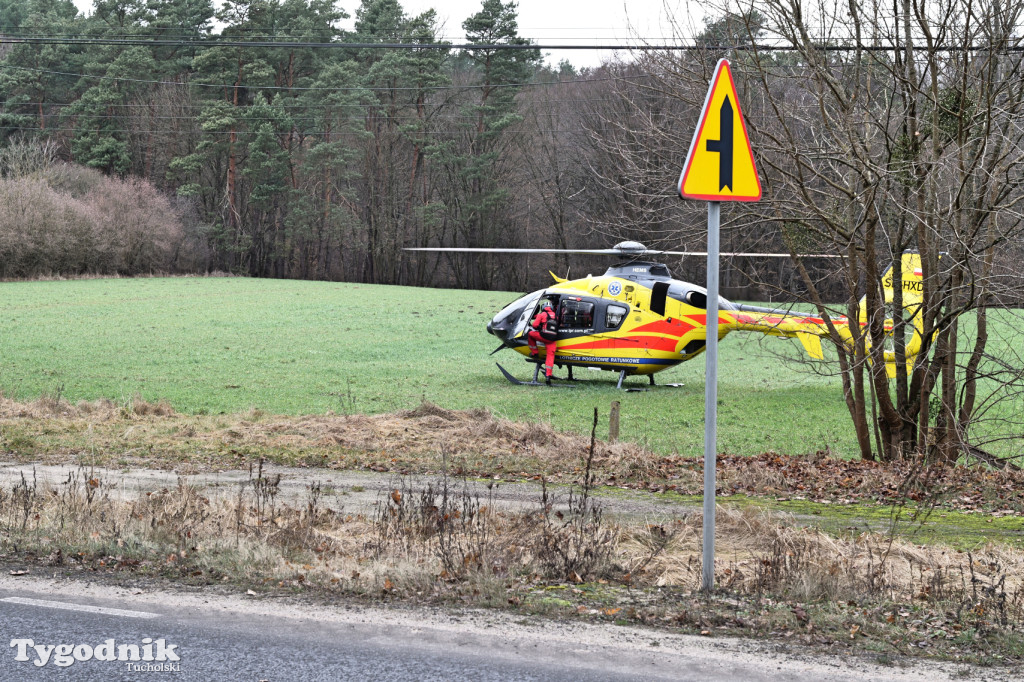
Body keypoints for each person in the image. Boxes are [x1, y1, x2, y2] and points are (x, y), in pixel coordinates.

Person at [526, 301, 558, 383]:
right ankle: (548, 376)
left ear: (543, 308)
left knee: (530, 334)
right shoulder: (556, 315)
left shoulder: (542, 314)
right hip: (552, 340)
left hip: (543, 337)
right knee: (550, 356)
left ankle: (535, 352)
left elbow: (534, 325)